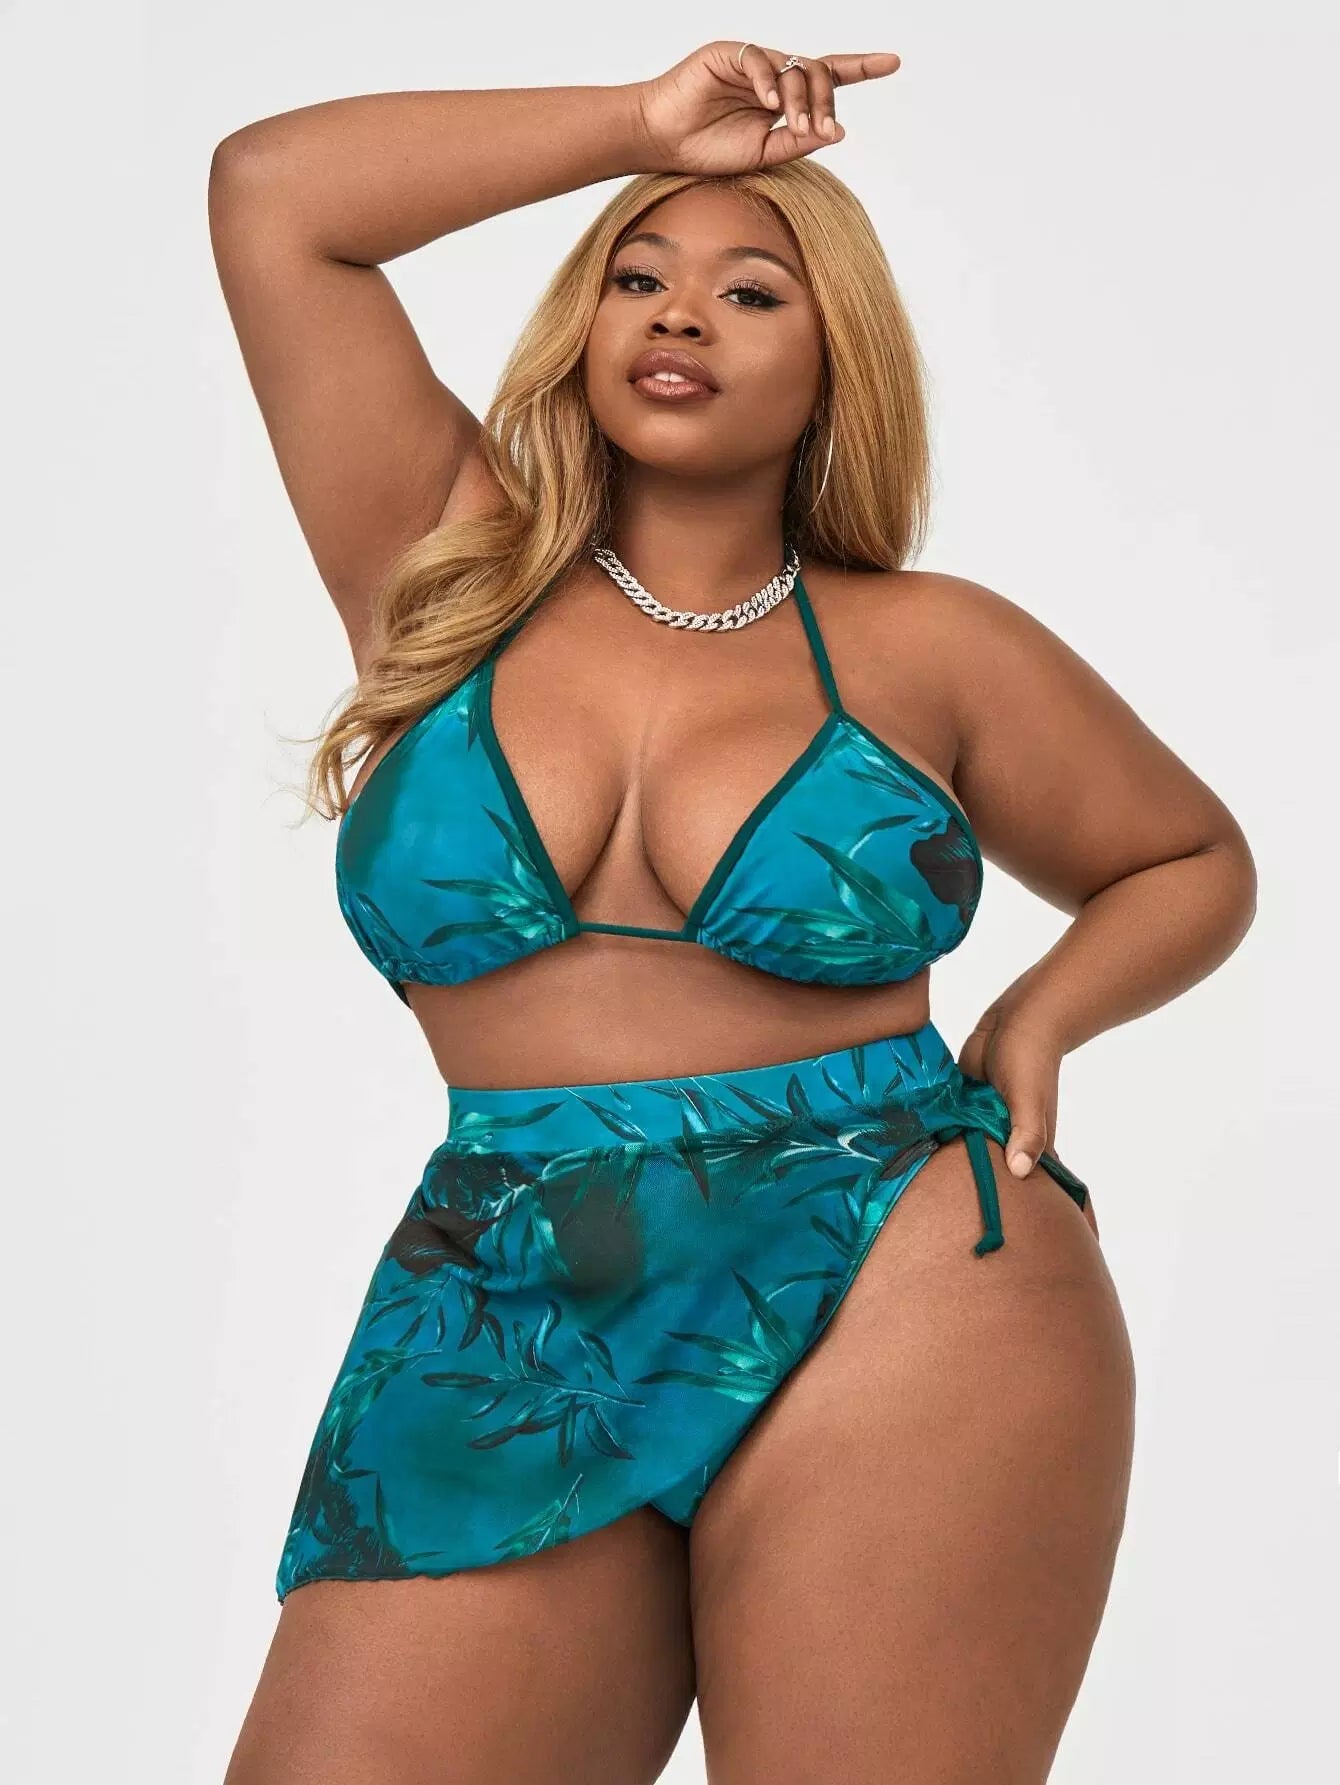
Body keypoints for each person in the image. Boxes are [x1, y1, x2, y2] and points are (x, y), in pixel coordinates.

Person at [209, 40, 1256, 1785]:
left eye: (751, 290)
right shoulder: (442, 570)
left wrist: (1040, 1014)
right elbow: (276, 198)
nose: (680, 313)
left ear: (838, 364)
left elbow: (1190, 858)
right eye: (639, 277)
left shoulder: (930, 647)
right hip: (507, 1277)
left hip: (897, 1256)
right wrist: (639, 127)